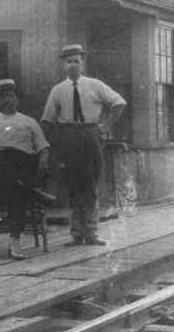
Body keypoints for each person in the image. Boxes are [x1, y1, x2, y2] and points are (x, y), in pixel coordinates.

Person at [41, 44, 126, 247]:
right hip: (68, 137)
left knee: (90, 184)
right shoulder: (58, 90)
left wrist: (105, 127)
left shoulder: (95, 85)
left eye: (76, 61)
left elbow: (119, 102)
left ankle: (92, 232)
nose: (72, 65)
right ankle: (76, 234)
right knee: (72, 185)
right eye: (68, 61)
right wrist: (44, 143)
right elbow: (47, 119)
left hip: (90, 136)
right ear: (63, 64)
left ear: (83, 63)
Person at [0, 79, 50, 260]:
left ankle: (14, 239)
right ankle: (16, 236)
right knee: (16, 180)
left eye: (10, 95)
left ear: (16, 98)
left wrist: (43, 161)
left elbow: (43, 148)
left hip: (23, 163)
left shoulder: (29, 122)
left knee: (17, 184)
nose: (7, 99)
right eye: (3, 97)